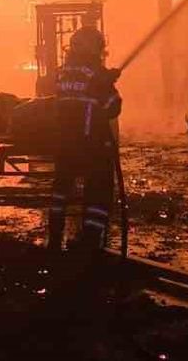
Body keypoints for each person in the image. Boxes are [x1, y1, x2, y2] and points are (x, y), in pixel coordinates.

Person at [47, 25, 122, 252]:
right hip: (90, 145)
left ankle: (54, 238)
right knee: (99, 191)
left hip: (64, 143)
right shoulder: (95, 75)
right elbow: (112, 107)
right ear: (95, 48)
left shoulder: (63, 73)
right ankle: (90, 240)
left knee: (60, 192)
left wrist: (105, 78)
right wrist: (107, 82)